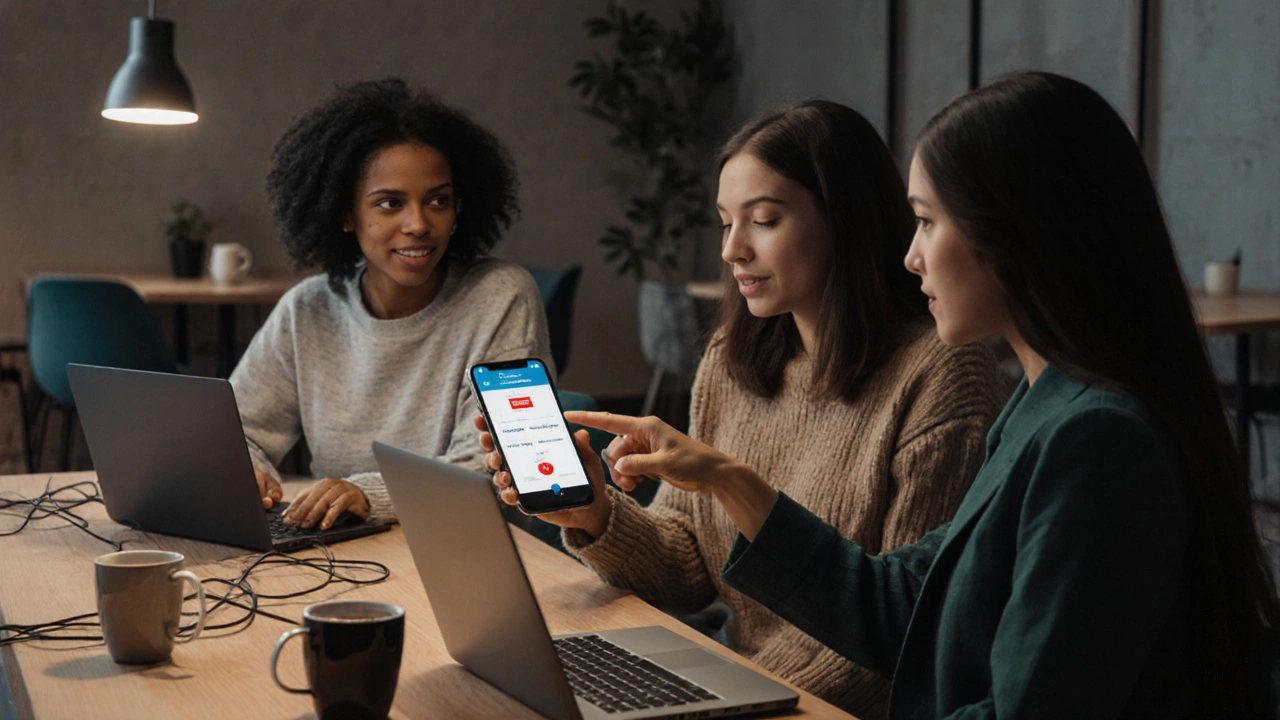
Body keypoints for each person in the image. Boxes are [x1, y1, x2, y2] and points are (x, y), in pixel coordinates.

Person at [534, 72, 1280, 718]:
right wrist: (722, 480)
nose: (911, 254)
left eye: (926, 222)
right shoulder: (1042, 406)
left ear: (1015, 234)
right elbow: (900, 608)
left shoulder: (1097, 438)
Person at [482, 100, 1009, 718]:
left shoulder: (943, 375)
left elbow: (901, 631)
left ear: (846, 219)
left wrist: (737, 691)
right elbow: (688, 568)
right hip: (734, 682)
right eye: (725, 223)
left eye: (763, 220)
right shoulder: (733, 358)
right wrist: (596, 514)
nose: (733, 250)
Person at [232, 78, 549, 531]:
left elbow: (493, 467)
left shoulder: (500, 297)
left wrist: (367, 495)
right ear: (345, 213)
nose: (418, 224)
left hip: (467, 544)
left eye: (438, 200)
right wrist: (247, 471)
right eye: (390, 203)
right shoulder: (307, 309)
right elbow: (235, 432)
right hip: (343, 548)